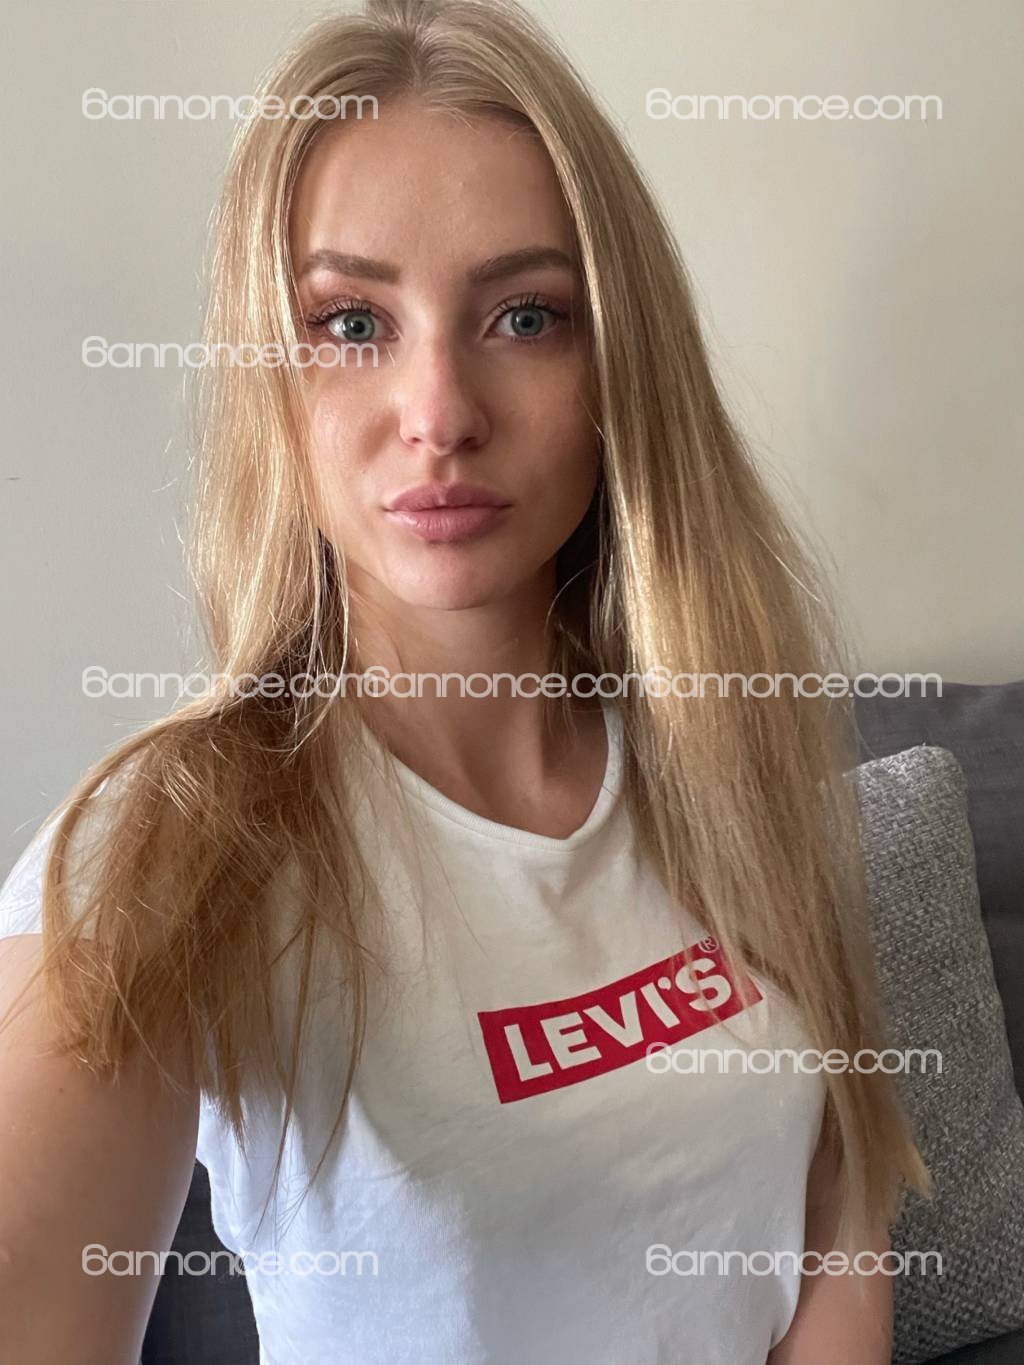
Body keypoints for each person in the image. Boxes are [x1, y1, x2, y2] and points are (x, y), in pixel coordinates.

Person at [0, 1, 928, 1361]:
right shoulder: (165, 847)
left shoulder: (728, 756)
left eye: (526, 315)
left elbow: (842, 1196)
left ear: (618, 365)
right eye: (350, 322)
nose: (439, 410)